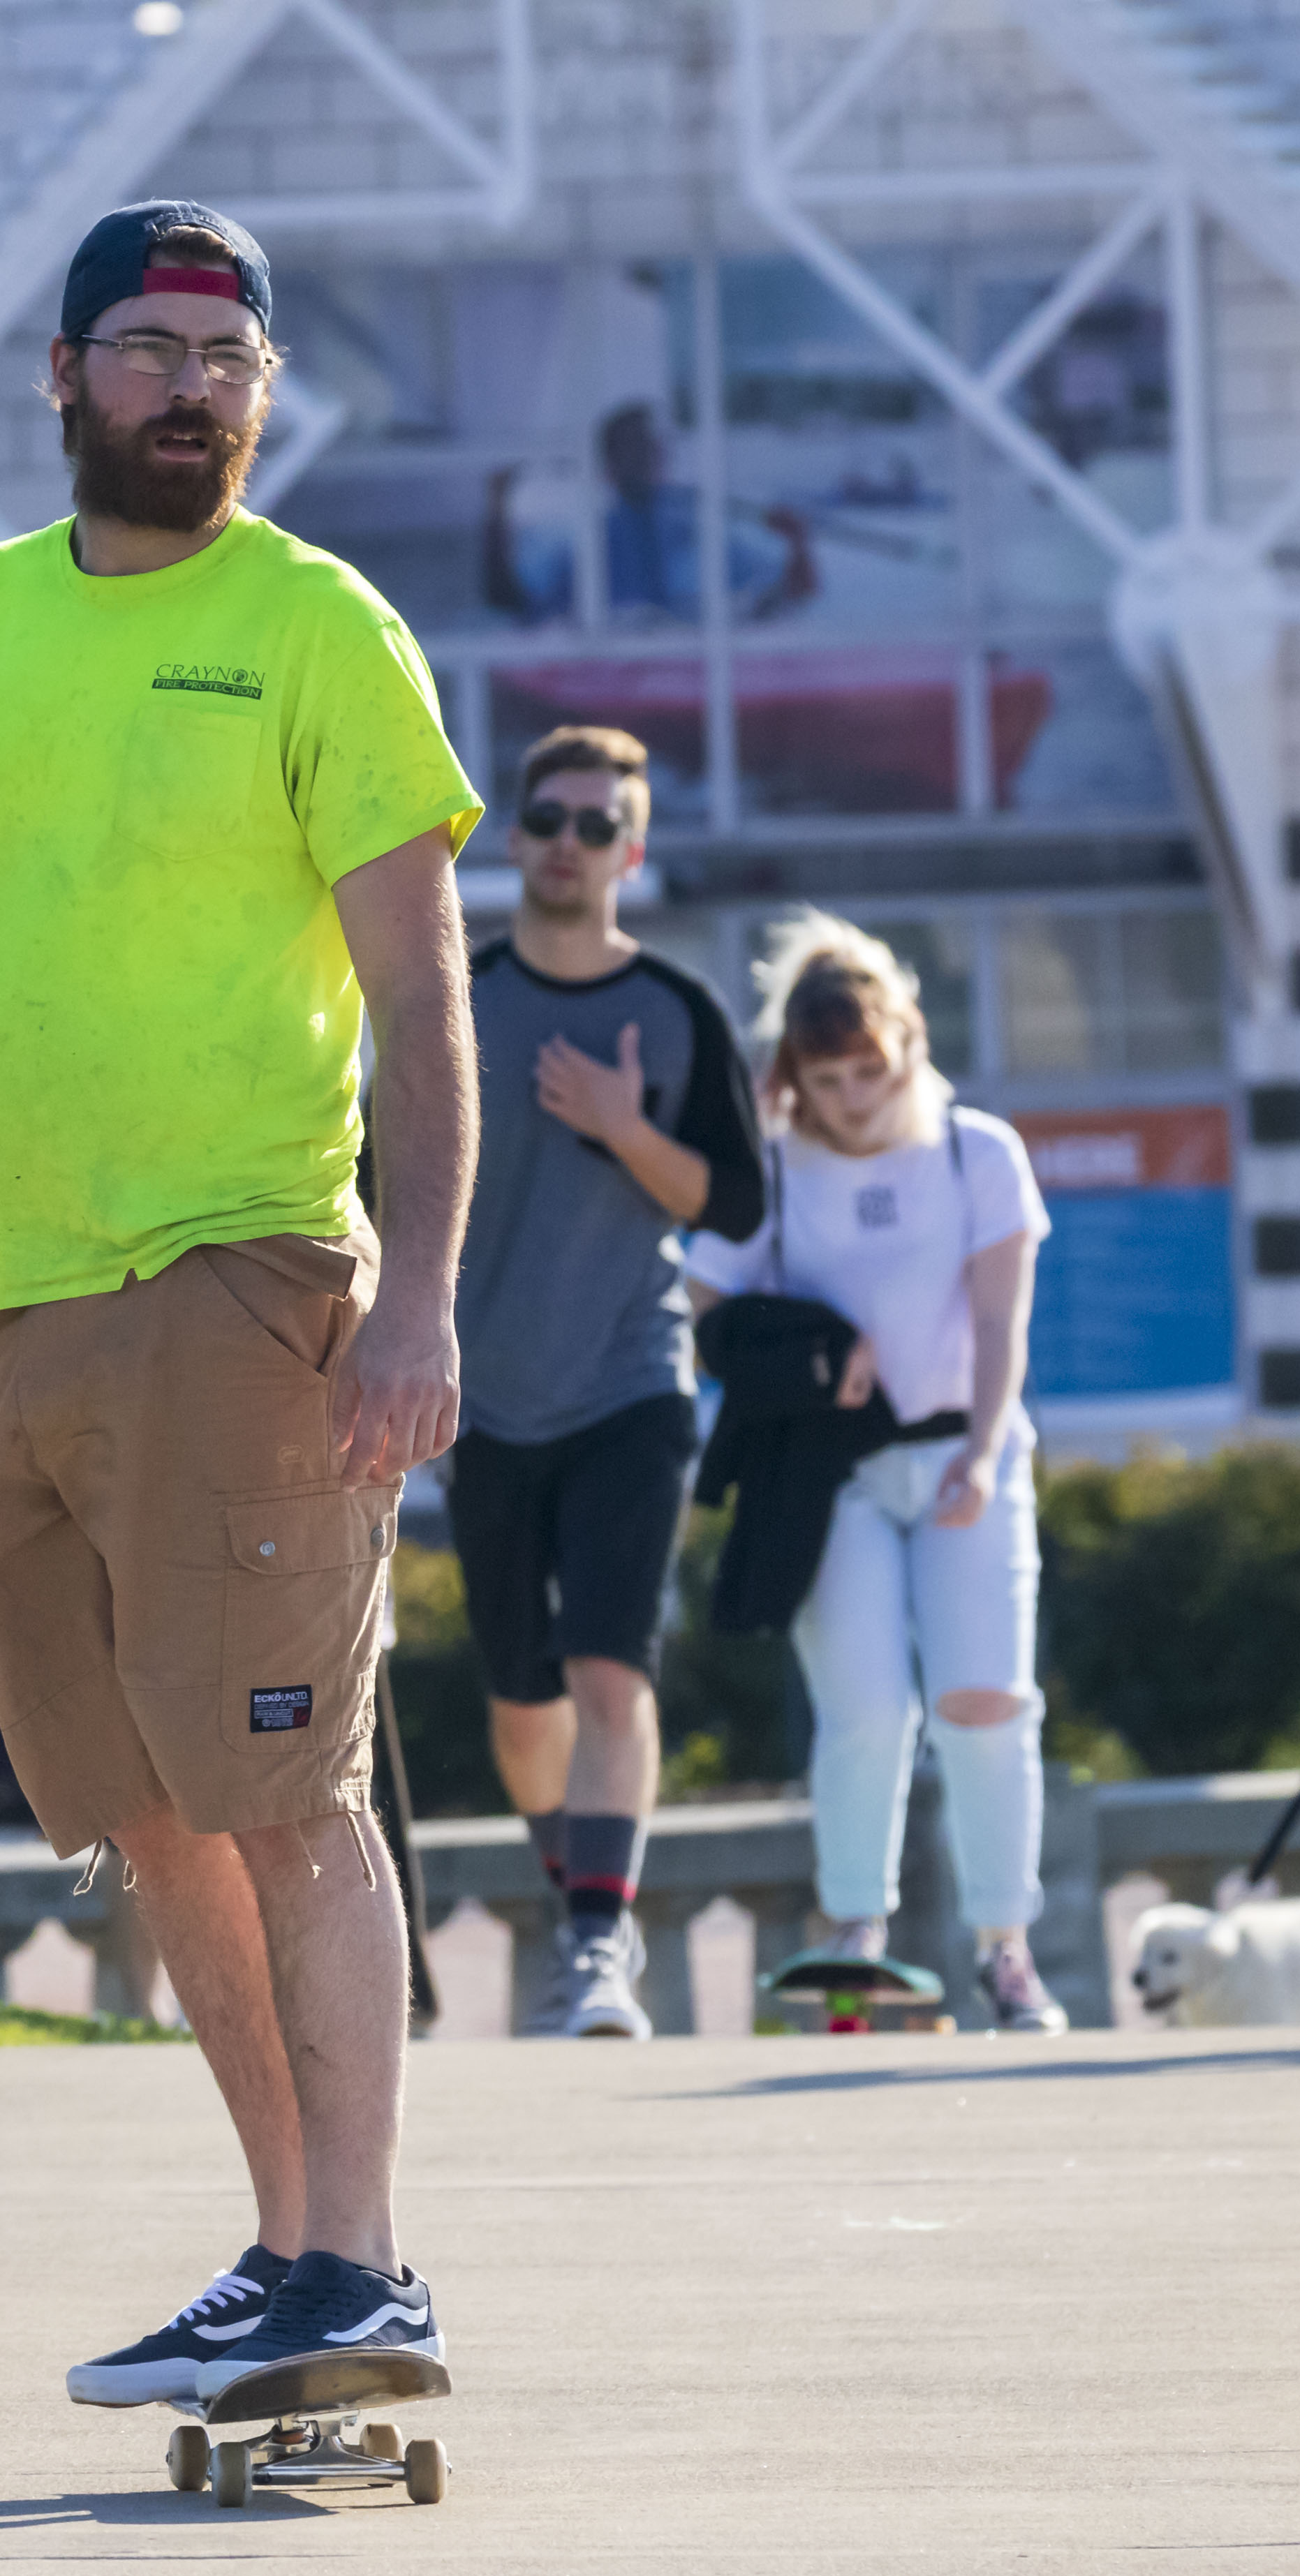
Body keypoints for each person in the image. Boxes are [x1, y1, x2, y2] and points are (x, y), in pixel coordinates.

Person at [0, 198, 483, 2409]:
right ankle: (287, 2254)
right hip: (17, 1298)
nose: (193, 386)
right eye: (153, 347)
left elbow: (422, 988)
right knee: (148, 1809)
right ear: (65, 375)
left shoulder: (316, 628)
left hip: (242, 1270)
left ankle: (358, 2258)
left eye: (228, 358)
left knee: (285, 1782)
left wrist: (419, 1290)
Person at [682, 914, 1064, 2031]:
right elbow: (708, 1307)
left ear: (909, 1042)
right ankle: (857, 1934)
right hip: (830, 1469)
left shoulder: (975, 1149)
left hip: (962, 1450)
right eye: (828, 1076)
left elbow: (1002, 1325)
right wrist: (813, 1345)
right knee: (865, 1708)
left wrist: (986, 1454)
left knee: (984, 1703)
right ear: (795, 1071)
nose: (851, 1096)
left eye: (870, 1068)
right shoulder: (774, 1164)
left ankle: (1007, 1948)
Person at [448, 723, 765, 2037]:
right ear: (515, 836)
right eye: (551, 819)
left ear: (631, 851)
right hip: (486, 1400)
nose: (570, 844)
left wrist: (628, 1129)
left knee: (610, 1677)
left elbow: (738, 1207)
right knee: (524, 1704)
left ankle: (595, 1942)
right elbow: (371, 1187)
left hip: (634, 1385)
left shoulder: (678, 1012)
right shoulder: (455, 996)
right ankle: (573, 1886)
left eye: (599, 825)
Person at [483, 403, 815, 628]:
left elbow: (792, 593)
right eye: (633, 449)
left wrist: (797, 544)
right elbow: (512, 602)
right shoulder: (586, 547)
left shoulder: (696, 534)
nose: (645, 458)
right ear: (609, 466)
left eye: (650, 447)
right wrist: (497, 509)